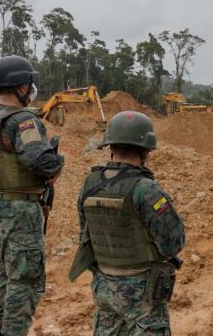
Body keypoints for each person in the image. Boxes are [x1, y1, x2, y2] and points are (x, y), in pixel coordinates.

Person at [68, 111, 185, 334]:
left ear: (111, 147)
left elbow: (85, 234)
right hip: (143, 294)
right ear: (146, 150)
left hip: (104, 289)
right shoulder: (145, 188)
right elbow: (173, 242)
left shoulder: (90, 184)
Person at [0, 55, 64, 336]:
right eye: (29, 82)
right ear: (20, 87)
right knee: (24, 279)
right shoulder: (22, 120)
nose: (32, 86)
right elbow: (41, 161)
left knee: (0, 273)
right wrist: (58, 164)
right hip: (17, 209)